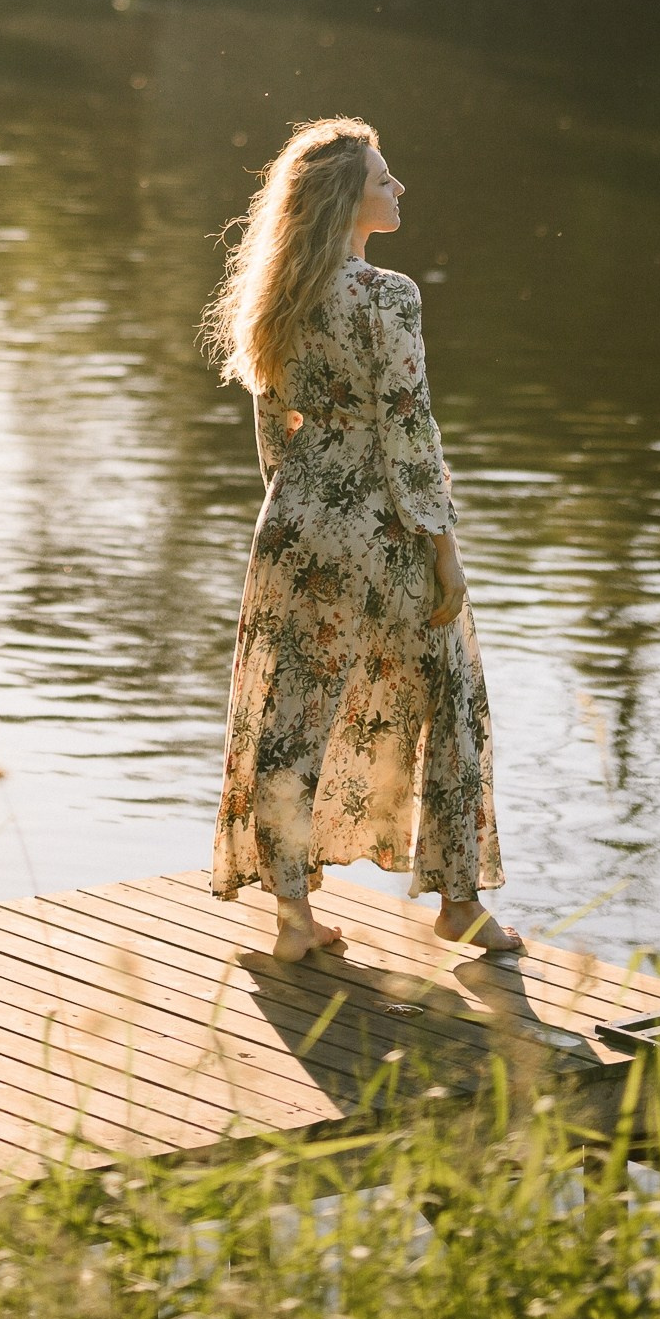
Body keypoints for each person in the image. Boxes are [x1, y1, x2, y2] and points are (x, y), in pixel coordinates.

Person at [207, 114, 518, 963]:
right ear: (348, 200)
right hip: (385, 522)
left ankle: (293, 918)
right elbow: (408, 430)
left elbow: (271, 425)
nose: (399, 187)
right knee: (447, 691)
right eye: (384, 179)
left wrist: (295, 504)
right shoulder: (388, 295)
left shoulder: (277, 292)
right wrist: (443, 547)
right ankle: (458, 904)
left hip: (295, 520)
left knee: (294, 711)